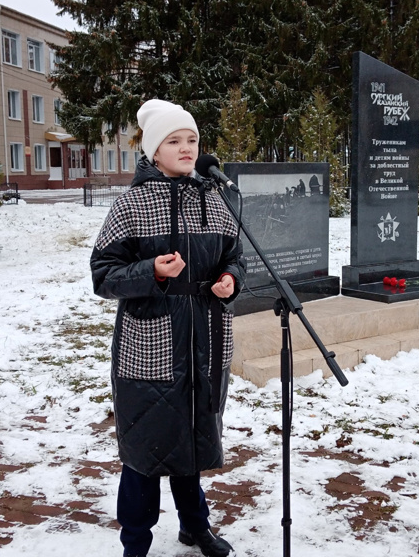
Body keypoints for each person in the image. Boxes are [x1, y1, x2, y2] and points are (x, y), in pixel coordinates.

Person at [90, 99, 245, 557]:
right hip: (151, 345)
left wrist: (230, 281)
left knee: (193, 439)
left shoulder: (216, 198)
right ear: (154, 151)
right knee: (146, 447)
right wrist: (152, 273)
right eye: (174, 141)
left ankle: (196, 526)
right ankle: (135, 543)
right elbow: (103, 275)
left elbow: (236, 257)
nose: (186, 148)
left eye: (191, 140)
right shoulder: (131, 205)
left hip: (207, 339)